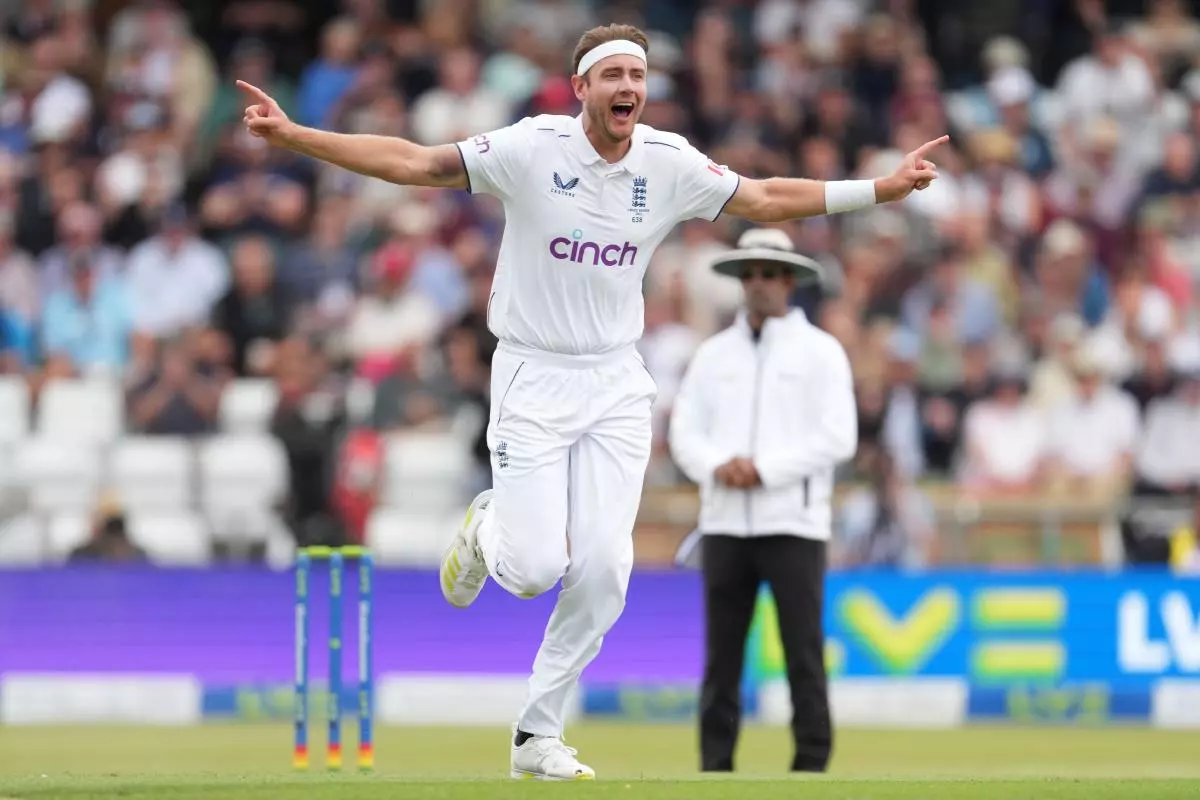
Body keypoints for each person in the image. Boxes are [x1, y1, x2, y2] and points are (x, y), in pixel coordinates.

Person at [238, 23, 944, 781]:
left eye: (636, 78)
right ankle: (487, 528)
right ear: (581, 88)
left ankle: (536, 734)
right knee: (538, 567)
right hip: (532, 373)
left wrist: (880, 189)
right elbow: (415, 163)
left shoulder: (667, 162)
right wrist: (295, 138)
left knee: (606, 570)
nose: (627, 90)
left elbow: (766, 198)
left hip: (615, 381)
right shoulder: (531, 148)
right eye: (611, 77)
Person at [667, 228, 857, 773]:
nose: (759, 283)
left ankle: (811, 766)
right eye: (749, 273)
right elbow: (685, 433)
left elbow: (838, 437)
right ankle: (715, 766)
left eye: (770, 272)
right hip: (725, 522)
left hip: (793, 522)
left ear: (790, 280)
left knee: (803, 653)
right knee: (721, 658)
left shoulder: (821, 351)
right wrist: (718, 466)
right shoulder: (712, 354)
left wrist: (764, 471)